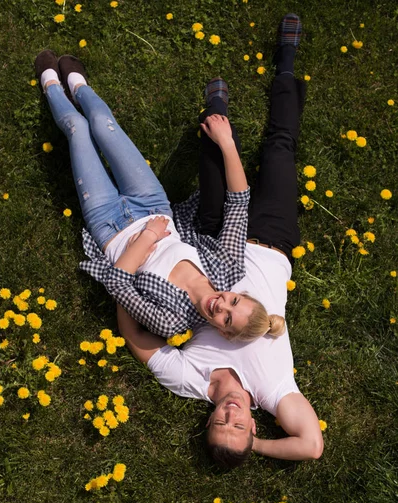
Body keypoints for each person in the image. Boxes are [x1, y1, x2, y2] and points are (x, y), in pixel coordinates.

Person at [116, 14, 324, 469]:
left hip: (213, 240)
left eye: (220, 423)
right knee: (280, 148)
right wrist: (260, 448)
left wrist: (122, 285)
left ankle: (216, 114)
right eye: (240, 428)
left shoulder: (192, 382)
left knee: (214, 170)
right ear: (252, 428)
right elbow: (311, 445)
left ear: (208, 419)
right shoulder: (273, 392)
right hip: (271, 239)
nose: (231, 415)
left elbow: (136, 338)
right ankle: (286, 62)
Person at [34, 51, 283, 342]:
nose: (221, 304)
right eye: (234, 301)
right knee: (102, 124)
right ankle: (78, 85)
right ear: (239, 293)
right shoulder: (227, 267)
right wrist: (226, 142)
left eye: (227, 318)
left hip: (108, 225)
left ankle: (50, 84)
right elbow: (239, 205)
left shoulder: (172, 321)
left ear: (224, 333)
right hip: (150, 202)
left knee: (78, 131)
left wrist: (148, 238)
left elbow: (117, 284)